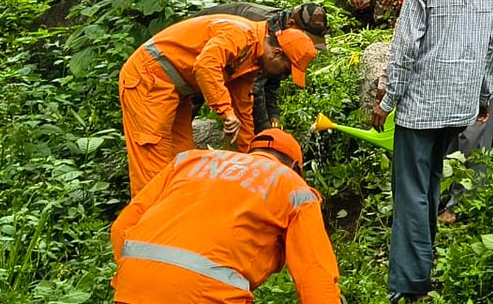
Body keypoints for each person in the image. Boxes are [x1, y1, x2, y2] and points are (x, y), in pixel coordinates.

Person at [372, 0, 493, 302]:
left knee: (412, 190)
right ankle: (422, 263)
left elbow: (406, 44)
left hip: (421, 106)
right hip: (459, 105)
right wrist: (483, 97)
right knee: (428, 185)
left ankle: (410, 284)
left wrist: (387, 101)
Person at [364, 0, 493, 225]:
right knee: (452, 119)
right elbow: (407, 35)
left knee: (475, 120)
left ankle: (466, 202)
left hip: (492, 31)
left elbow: (405, 41)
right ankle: (446, 194)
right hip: (472, 33)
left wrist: (387, 91)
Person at [111, 128, 344, 303]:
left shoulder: (189, 160)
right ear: (295, 167)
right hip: (206, 294)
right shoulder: (292, 186)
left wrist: (138, 277)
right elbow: (314, 273)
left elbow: (122, 225)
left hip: (132, 287)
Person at [118, 14, 318, 195]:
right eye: (285, 71)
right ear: (275, 53)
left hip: (177, 92)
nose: (283, 77)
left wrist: (251, 164)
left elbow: (243, 113)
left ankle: (177, 219)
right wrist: (225, 112)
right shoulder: (240, 35)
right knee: (154, 168)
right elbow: (206, 66)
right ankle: (145, 227)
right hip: (148, 79)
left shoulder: (252, 61)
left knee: (183, 161)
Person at [195, 2, 328, 131]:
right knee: (191, 97)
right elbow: (254, 89)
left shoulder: (283, 32)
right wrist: (265, 131)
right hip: (196, 50)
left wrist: (274, 116)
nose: (306, 44)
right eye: (308, 39)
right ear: (292, 24)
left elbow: (273, 76)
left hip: (214, 61)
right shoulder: (264, 31)